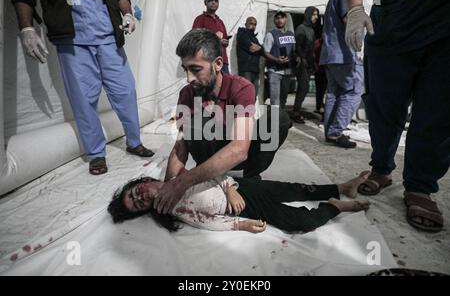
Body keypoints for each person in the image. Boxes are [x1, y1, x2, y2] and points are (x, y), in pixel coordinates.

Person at [10, 0, 154, 176]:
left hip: (108, 35)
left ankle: (134, 142)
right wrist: (26, 27)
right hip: (72, 38)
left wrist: (127, 14)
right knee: (83, 99)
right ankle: (96, 153)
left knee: (126, 90)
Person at [345, 0, 450, 232]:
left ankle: (420, 186)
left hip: (444, 29)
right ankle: (381, 167)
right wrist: (356, 8)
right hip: (391, 24)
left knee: (437, 113)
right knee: (383, 109)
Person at [153, 29, 292, 215]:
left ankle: (245, 178)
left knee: (278, 118)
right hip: (210, 158)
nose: (189, 78)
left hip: (245, 162)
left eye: (195, 69)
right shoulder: (187, 94)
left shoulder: (241, 87)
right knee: (197, 123)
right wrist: (169, 187)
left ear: (218, 64)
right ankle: (217, 179)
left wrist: (183, 182)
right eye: (186, 69)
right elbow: (180, 148)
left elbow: (240, 149)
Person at [108, 172, 371, 233]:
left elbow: (211, 171)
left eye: (134, 192)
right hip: (244, 208)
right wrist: (241, 225)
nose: (138, 197)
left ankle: (342, 187)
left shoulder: (177, 176)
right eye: (137, 204)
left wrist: (231, 188)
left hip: (243, 188)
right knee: (301, 222)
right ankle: (335, 206)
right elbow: (209, 222)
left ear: (140, 182)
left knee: (295, 190)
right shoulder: (176, 211)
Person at [320, 0, 363, 149]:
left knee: (333, 93)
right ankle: (336, 132)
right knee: (353, 92)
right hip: (344, 54)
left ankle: (331, 133)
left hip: (331, 54)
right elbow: (349, 19)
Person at [290, 7, 320, 124]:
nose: (316, 17)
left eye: (317, 14)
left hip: (308, 64)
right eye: (314, 14)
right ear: (308, 15)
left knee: (304, 88)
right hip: (301, 64)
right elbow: (297, 46)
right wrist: (302, 58)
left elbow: (311, 49)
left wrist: (313, 62)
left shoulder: (311, 30)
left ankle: (296, 111)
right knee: (303, 87)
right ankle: (295, 112)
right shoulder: (301, 29)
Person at [263, 11, 296, 110]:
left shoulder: (291, 34)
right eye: (277, 18)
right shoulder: (271, 34)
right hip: (275, 71)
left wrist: (297, 57)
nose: (280, 20)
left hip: (287, 71)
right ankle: (274, 123)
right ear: (274, 20)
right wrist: (276, 59)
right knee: (275, 99)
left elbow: (294, 50)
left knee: (283, 99)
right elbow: (265, 52)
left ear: (286, 19)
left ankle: (280, 121)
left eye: (282, 17)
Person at [192, 0, 230, 74]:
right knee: (209, 86)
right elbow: (194, 40)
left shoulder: (220, 22)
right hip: (208, 61)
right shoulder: (200, 19)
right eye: (210, 0)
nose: (213, 2)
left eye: (216, 0)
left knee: (225, 86)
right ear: (205, 2)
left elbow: (225, 41)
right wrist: (214, 39)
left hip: (223, 62)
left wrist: (225, 42)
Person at [236, 17, 265, 96]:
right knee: (246, 95)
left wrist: (259, 48)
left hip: (255, 70)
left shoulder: (254, 38)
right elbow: (252, 48)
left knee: (253, 96)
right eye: (251, 24)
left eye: (255, 24)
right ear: (246, 24)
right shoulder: (242, 34)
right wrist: (259, 48)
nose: (253, 26)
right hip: (246, 70)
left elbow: (263, 51)